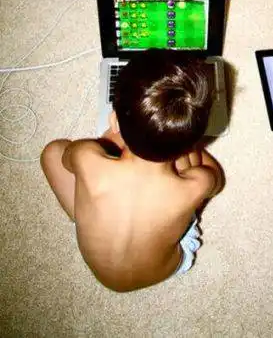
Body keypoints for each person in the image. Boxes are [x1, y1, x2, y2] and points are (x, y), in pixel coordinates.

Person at [41, 50, 224, 292]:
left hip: (102, 259)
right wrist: (189, 149)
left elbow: (66, 158)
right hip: (166, 265)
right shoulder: (196, 184)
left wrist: (107, 143)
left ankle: (88, 214)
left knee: (52, 151)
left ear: (114, 121)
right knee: (194, 168)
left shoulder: (87, 157)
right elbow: (216, 183)